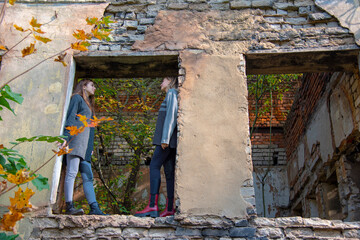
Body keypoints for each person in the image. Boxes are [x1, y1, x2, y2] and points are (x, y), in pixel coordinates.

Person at [135, 77, 178, 218]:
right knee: (169, 174)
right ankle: (170, 209)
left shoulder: (171, 92)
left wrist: (165, 138)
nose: (161, 83)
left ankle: (152, 206)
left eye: (164, 80)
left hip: (166, 141)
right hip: (171, 141)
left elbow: (171, 115)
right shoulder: (173, 93)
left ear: (171, 81)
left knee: (154, 166)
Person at [62, 79, 106, 215]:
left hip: (85, 145)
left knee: (88, 176)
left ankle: (95, 208)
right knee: (72, 172)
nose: (95, 88)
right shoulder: (77, 98)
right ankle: (69, 206)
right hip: (75, 141)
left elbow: (91, 129)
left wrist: (90, 147)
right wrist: (65, 138)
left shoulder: (89, 106)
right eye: (92, 85)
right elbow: (69, 119)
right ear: (84, 86)